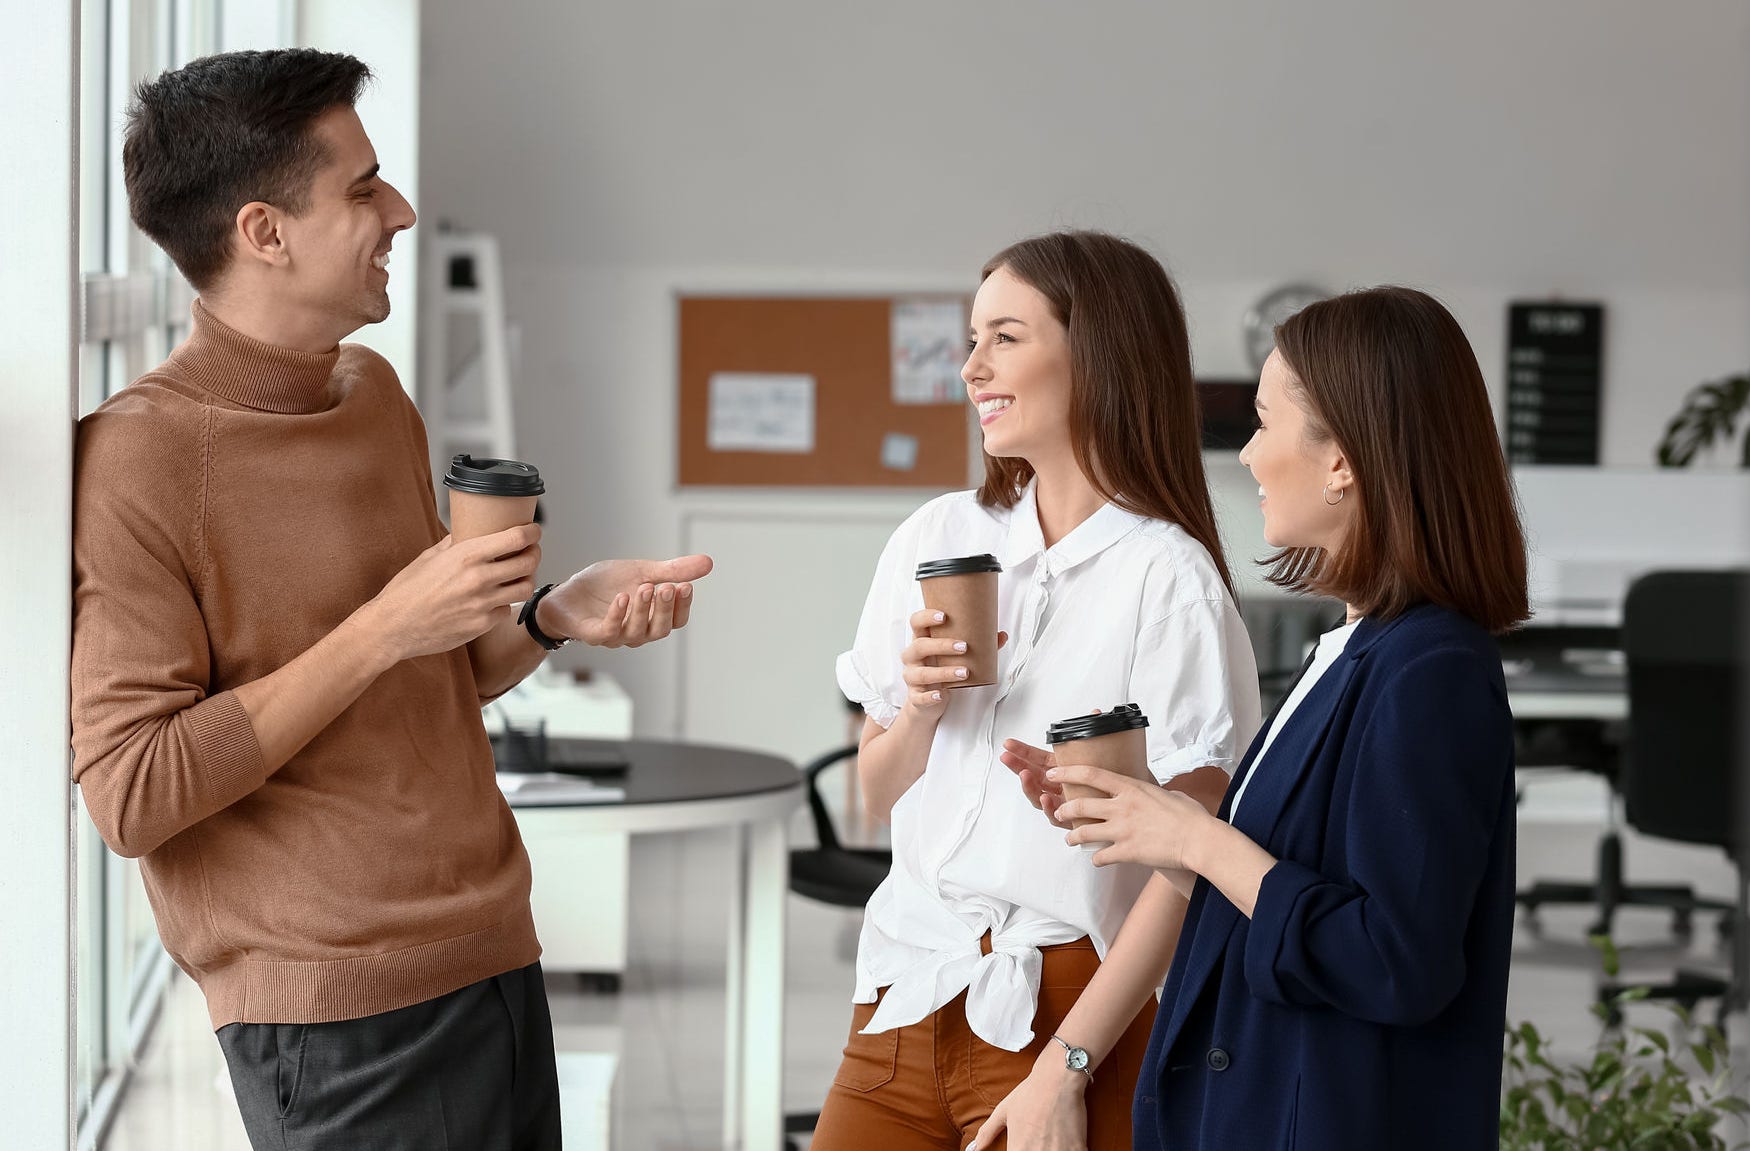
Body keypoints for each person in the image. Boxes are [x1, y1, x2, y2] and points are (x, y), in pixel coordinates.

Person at [70, 48, 710, 1151]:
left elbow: (436, 668)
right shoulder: (136, 458)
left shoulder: (372, 393)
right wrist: (381, 627)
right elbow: (133, 789)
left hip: (494, 946)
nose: (401, 209)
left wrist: (552, 614)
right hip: (337, 1014)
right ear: (263, 231)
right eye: (363, 187)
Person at [1018, 287, 1529, 1150]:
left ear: (1343, 461)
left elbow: (1393, 960)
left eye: (1264, 421)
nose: (1249, 454)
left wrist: (1197, 840)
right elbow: (1287, 876)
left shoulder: (1431, 670)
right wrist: (1145, 814)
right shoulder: (1355, 650)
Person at [814, 231, 1262, 1151]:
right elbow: (871, 794)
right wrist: (923, 707)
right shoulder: (936, 533)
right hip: (907, 984)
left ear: (1096, 355)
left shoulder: (1167, 579)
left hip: (1067, 1009)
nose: (971, 365)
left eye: (1004, 337)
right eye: (972, 338)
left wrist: (1069, 1063)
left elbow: (1188, 869)